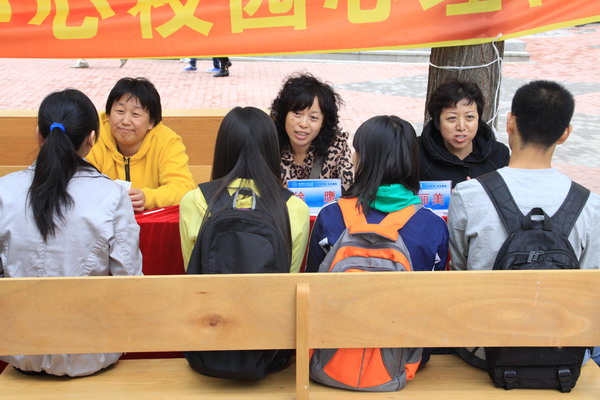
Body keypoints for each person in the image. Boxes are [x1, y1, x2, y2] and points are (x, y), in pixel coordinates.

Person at [448, 80, 600, 366]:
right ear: (565, 134)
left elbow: (459, 271)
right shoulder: (590, 205)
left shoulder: (468, 194)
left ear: (510, 123)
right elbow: (589, 286)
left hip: (484, 352)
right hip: (562, 359)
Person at [0, 89, 142, 377]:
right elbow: (129, 279)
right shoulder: (112, 195)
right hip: (91, 354)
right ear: (91, 139)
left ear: (39, 134)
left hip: (18, 350)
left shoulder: (5, 190)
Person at [307, 114, 448, 272]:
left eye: (357, 151)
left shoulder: (330, 215)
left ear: (365, 160)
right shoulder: (434, 225)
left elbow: (312, 279)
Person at [179, 106, 310, 273]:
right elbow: (289, 275)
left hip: (209, 290)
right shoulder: (295, 207)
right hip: (269, 291)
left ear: (223, 149)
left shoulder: (194, 200)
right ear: (272, 149)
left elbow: (192, 270)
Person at [86, 77, 196, 212]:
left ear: (151, 122)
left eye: (135, 114)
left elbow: (184, 187)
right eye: (120, 111)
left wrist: (148, 197)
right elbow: (80, 185)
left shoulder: (167, 141)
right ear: (108, 114)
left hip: (152, 220)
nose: (126, 121)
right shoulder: (94, 137)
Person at [270, 73, 354, 192]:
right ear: (284, 114)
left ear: (323, 122)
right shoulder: (270, 145)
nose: (303, 124)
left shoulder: (337, 148)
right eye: (297, 114)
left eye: (313, 117)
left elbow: (350, 191)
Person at [418, 79, 510, 187]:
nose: (461, 127)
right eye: (452, 118)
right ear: (437, 121)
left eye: (469, 117)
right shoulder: (415, 154)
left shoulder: (499, 155)